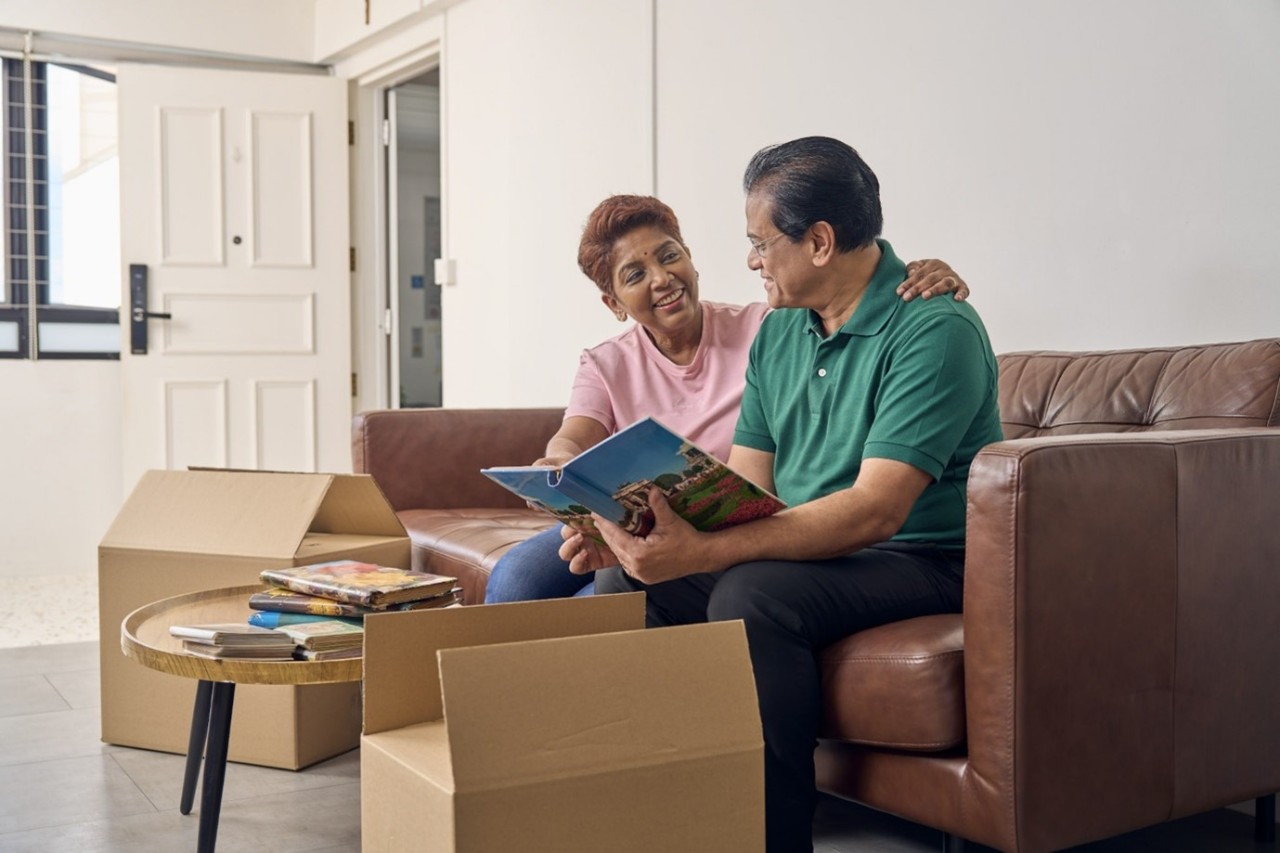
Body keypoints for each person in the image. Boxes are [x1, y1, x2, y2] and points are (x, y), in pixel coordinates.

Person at [564, 137, 1005, 852]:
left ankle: (775, 838)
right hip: (824, 550)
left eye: (760, 242)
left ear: (821, 241)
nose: (750, 260)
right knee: (625, 580)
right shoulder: (780, 335)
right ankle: (659, 815)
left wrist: (706, 551)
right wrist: (637, 525)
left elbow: (876, 509)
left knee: (752, 593)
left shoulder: (934, 328)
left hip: (923, 556)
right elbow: (746, 488)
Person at [483, 194, 971, 604]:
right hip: (650, 516)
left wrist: (920, 271)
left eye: (669, 255)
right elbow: (573, 438)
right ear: (613, 303)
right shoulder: (605, 362)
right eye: (634, 275)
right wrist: (559, 471)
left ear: (690, 258)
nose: (661, 278)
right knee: (517, 578)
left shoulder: (767, 328)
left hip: (732, 522)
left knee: (606, 597)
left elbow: (841, 294)